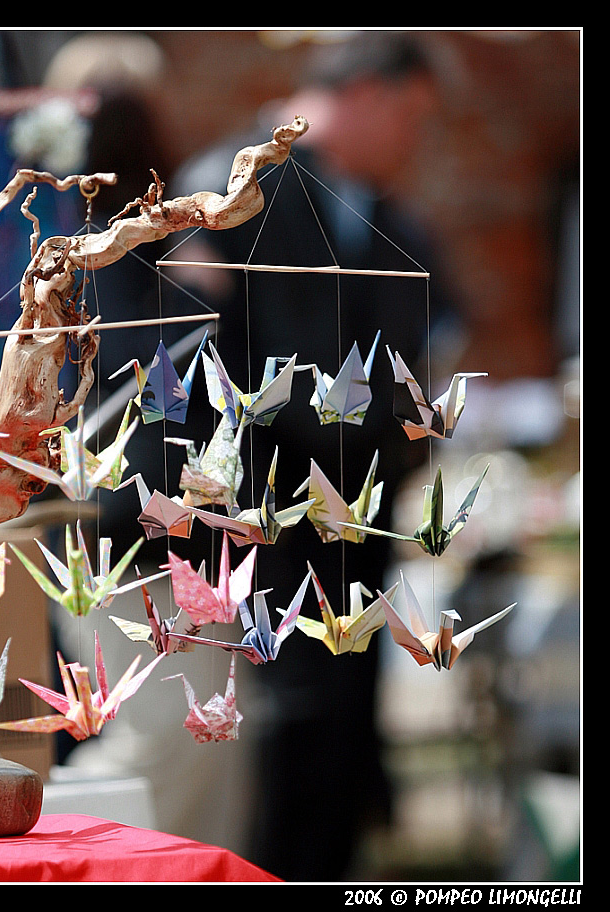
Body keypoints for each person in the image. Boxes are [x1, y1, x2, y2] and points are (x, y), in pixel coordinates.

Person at [159, 31, 459, 880]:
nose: (415, 138)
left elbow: (415, 349)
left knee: (339, 733)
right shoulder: (233, 185)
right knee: (280, 733)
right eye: (409, 115)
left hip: (355, 526)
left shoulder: (383, 212)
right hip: (268, 524)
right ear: (363, 92)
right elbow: (196, 362)